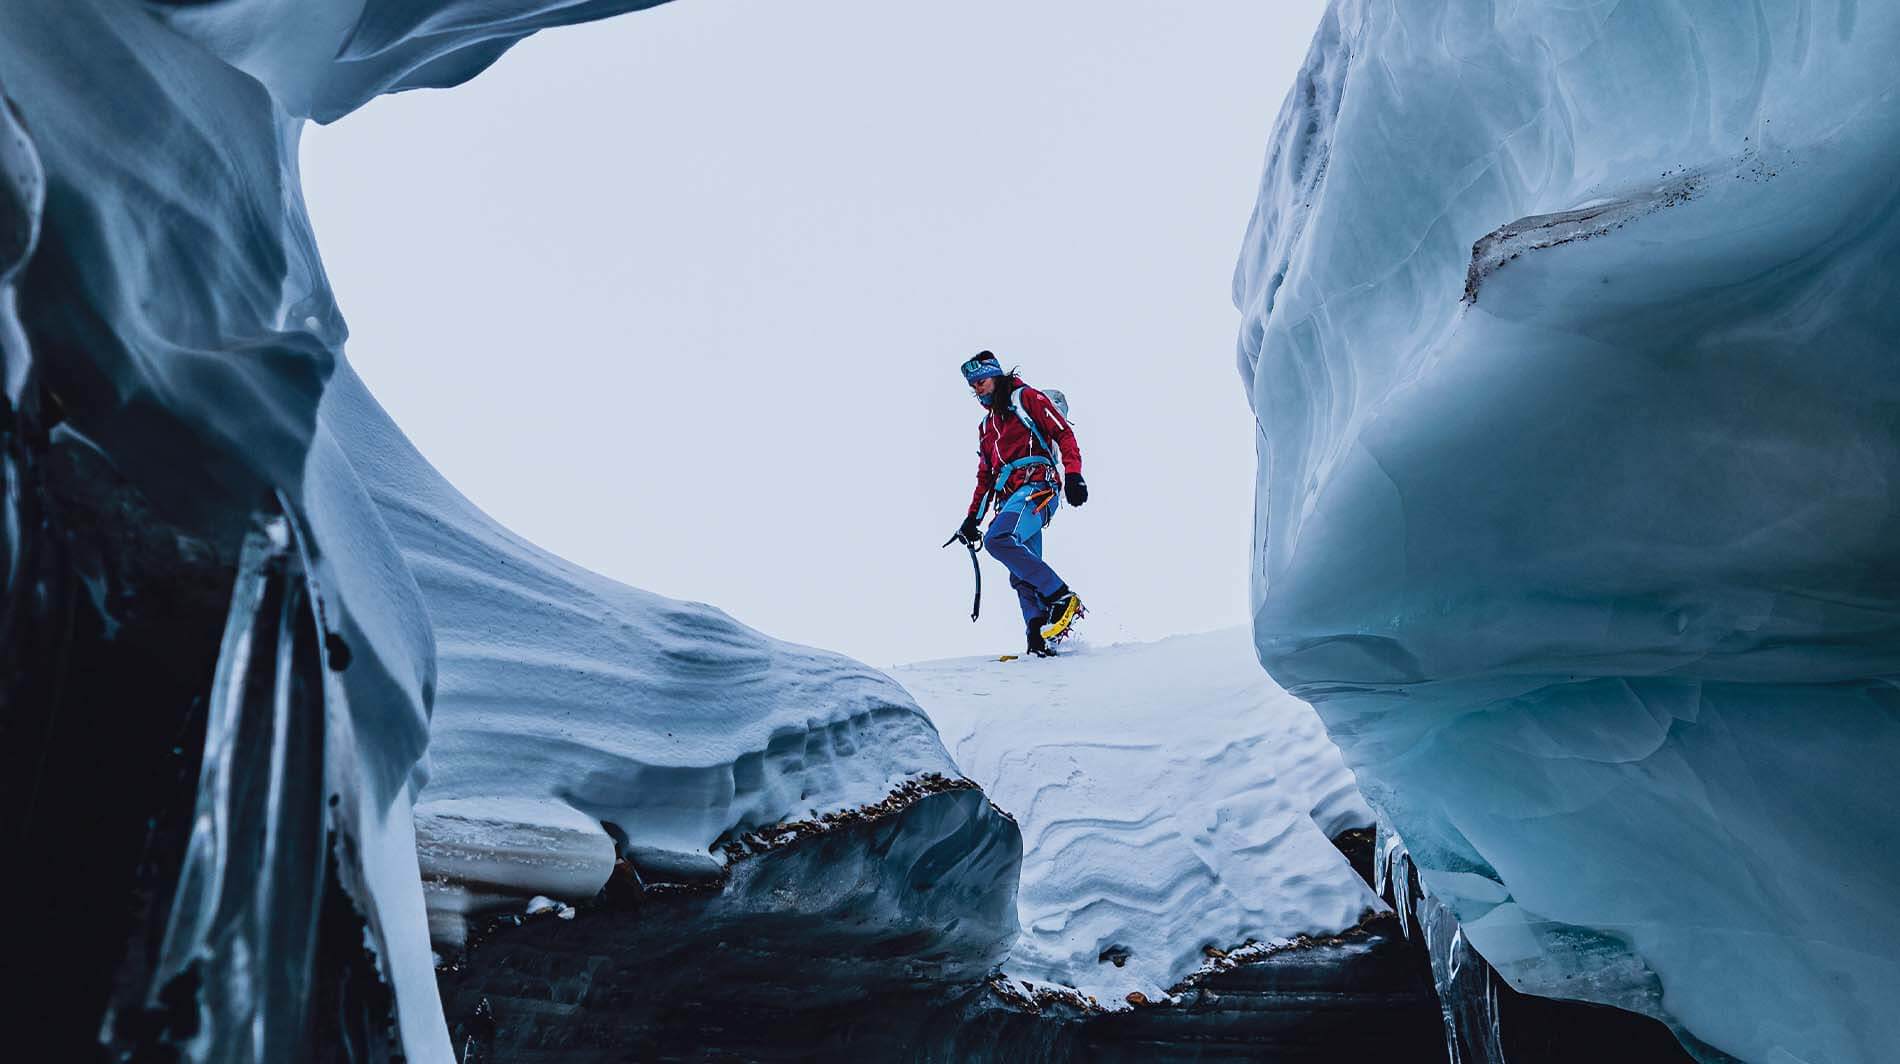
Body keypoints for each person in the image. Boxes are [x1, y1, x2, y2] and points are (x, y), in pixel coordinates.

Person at [950, 351, 1088, 657]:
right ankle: (1038, 637)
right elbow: (985, 477)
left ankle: (1061, 596)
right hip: (1010, 497)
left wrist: (1074, 474)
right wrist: (972, 519)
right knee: (1022, 568)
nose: (977, 389)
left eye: (981, 381)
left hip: (1038, 488)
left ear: (996, 376)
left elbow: (1063, 433)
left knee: (998, 539)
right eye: (973, 386)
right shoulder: (987, 427)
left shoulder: (1026, 398)